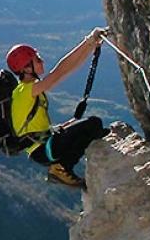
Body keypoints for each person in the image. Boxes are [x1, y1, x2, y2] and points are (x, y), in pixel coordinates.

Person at [6, 28, 108, 188]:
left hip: (43, 148)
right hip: (44, 149)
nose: (42, 61)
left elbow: (68, 69)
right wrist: (88, 41)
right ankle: (61, 168)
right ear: (26, 68)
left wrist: (91, 46)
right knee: (93, 124)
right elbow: (60, 71)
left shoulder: (26, 90)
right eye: (37, 59)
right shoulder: (26, 91)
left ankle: (62, 166)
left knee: (92, 126)